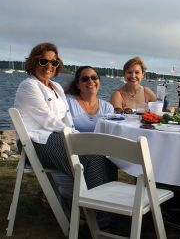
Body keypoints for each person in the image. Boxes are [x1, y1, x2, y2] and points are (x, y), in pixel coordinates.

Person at [14, 42, 117, 195]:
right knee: (91, 157)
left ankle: (110, 205)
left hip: (57, 137)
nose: (49, 66)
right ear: (34, 62)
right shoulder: (29, 86)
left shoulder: (56, 87)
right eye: (44, 61)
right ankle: (100, 216)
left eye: (54, 62)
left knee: (105, 156)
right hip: (35, 141)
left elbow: (66, 119)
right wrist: (76, 136)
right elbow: (47, 120)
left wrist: (76, 135)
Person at [65, 66, 114, 132]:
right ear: (77, 85)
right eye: (85, 79)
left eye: (94, 78)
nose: (90, 81)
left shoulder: (107, 108)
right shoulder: (67, 102)